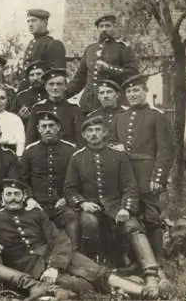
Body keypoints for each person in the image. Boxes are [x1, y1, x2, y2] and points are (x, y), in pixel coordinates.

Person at [0, 178, 158, 300]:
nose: (13, 198)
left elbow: (60, 239)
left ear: (24, 196)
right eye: (9, 194)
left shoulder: (37, 215)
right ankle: (115, 294)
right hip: (31, 266)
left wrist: (55, 266)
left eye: (17, 194)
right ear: (3, 197)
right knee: (76, 285)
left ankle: (144, 293)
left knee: (97, 271)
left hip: (59, 256)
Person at [64, 115, 161, 297]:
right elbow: (69, 189)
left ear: (105, 133)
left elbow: (130, 186)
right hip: (91, 207)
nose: (94, 134)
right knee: (89, 223)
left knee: (133, 226)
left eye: (97, 130)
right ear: (84, 135)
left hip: (117, 206)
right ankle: (98, 268)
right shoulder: (77, 158)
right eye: (89, 131)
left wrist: (126, 208)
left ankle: (151, 274)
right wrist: (83, 203)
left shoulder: (118, 156)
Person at [111, 73, 174, 287]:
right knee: (131, 217)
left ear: (145, 91)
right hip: (126, 175)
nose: (132, 94)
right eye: (129, 91)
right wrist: (115, 147)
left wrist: (158, 177)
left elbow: (166, 150)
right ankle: (136, 261)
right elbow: (112, 141)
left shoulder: (157, 116)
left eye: (136, 90)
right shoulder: (120, 117)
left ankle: (157, 262)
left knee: (152, 218)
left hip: (147, 173)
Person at [20, 111, 79, 249]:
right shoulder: (30, 150)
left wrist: (66, 197)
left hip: (62, 203)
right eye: (44, 126)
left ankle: (75, 252)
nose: (48, 129)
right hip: (37, 203)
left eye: (51, 125)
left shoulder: (70, 150)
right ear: (38, 129)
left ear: (58, 128)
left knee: (71, 217)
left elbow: (77, 178)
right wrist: (29, 199)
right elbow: (22, 179)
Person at [66, 15, 137, 114]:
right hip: (90, 103)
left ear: (114, 28)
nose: (104, 29)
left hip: (113, 101)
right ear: (97, 29)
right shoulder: (90, 49)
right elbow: (79, 79)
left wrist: (109, 68)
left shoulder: (122, 49)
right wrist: (63, 95)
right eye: (101, 26)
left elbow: (132, 73)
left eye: (108, 26)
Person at [26, 68, 84, 146]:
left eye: (59, 84)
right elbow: (30, 139)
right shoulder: (38, 108)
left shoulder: (74, 108)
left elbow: (80, 139)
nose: (55, 88)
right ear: (45, 87)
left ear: (65, 86)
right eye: (51, 84)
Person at [22, 9, 66, 76]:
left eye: (34, 21)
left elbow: (56, 75)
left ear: (44, 23)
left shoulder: (53, 44)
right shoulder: (31, 43)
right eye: (28, 21)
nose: (30, 24)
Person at [14, 60, 48, 125]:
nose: (35, 78)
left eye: (38, 74)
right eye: (32, 75)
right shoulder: (21, 96)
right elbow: (12, 118)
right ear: (28, 78)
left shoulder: (51, 95)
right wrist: (19, 116)